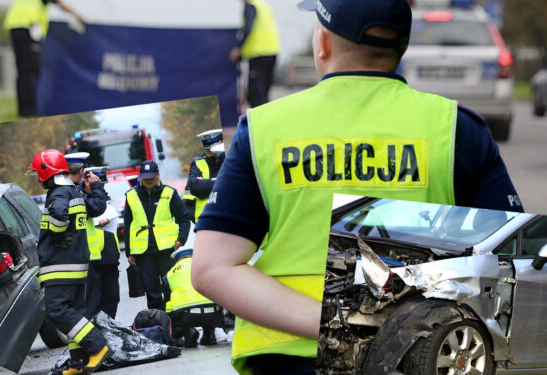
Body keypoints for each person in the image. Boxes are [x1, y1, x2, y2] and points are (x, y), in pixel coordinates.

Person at [192, 0, 525, 374]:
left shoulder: (264, 129)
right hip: (417, 355)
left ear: (324, 43)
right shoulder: (456, 129)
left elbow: (211, 269)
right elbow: (510, 262)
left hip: (288, 358)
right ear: (402, 49)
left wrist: (334, 321)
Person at [27, 149, 109, 375]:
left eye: (38, 173)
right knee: (76, 313)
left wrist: (55, 235)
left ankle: (97, 346)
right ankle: (79, 361)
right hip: (75, 265)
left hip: (60, 267)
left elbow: (59, 217)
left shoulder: (59, 194)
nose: (38, 178)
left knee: (57, 311)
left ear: (46, 172)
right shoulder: (73, 192)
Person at [124, 160, 191, 311]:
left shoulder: (169, 193)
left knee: (170, 289)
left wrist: (181, 240)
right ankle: (159, 327)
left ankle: (176, 327)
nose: (148, 180)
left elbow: (184, 218)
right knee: (152, 294)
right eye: (145, 177)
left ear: (158, 175)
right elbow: (128, 225)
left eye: (151, 176)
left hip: (167, 251)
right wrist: (130, 252)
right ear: (140, 177)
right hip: (144, 253)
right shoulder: (131, 196)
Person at [3, 0, 85, 117]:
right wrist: (79, 17)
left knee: (22, 71)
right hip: (29, 26)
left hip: (14, 25)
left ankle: (23, 110)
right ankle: (30, 111)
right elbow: (60, 4)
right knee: (31, 70)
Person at [64, 153, 121, 319]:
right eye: (97, 184)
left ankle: (109, 332)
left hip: (108, 257)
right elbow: (91, 213)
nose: (100, 188)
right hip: (90, 259)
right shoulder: (78, 197)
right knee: (92, 303)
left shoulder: (101, 198)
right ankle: (95, 338)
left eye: (102, 185)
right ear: (84, 179)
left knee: (111, 298)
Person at [162, 248, 225, 347]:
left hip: (187, 317)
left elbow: (166, 301)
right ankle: (210, 334)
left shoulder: (170, 274)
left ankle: (188, 332)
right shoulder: (207, 267)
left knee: (170, 309)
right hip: (213, 316)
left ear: (178, 260)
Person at [229, 0, 280, 108]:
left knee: (256, 93)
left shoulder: (251, 6)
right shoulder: (264, 6)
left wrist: (239, 48)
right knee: (264, 92)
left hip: (258, 54)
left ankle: (261, 123)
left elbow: (248, 28)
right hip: (273, 52)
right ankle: (267, 119)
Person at [183, 129, 227, 223]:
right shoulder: (197, 163)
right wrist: (222, 181)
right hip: (205, 222)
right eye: (208, 150)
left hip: (227, 219)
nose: (211, 153)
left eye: (213, 150)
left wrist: (205, 183)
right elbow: (195, 188)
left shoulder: (229, 160)